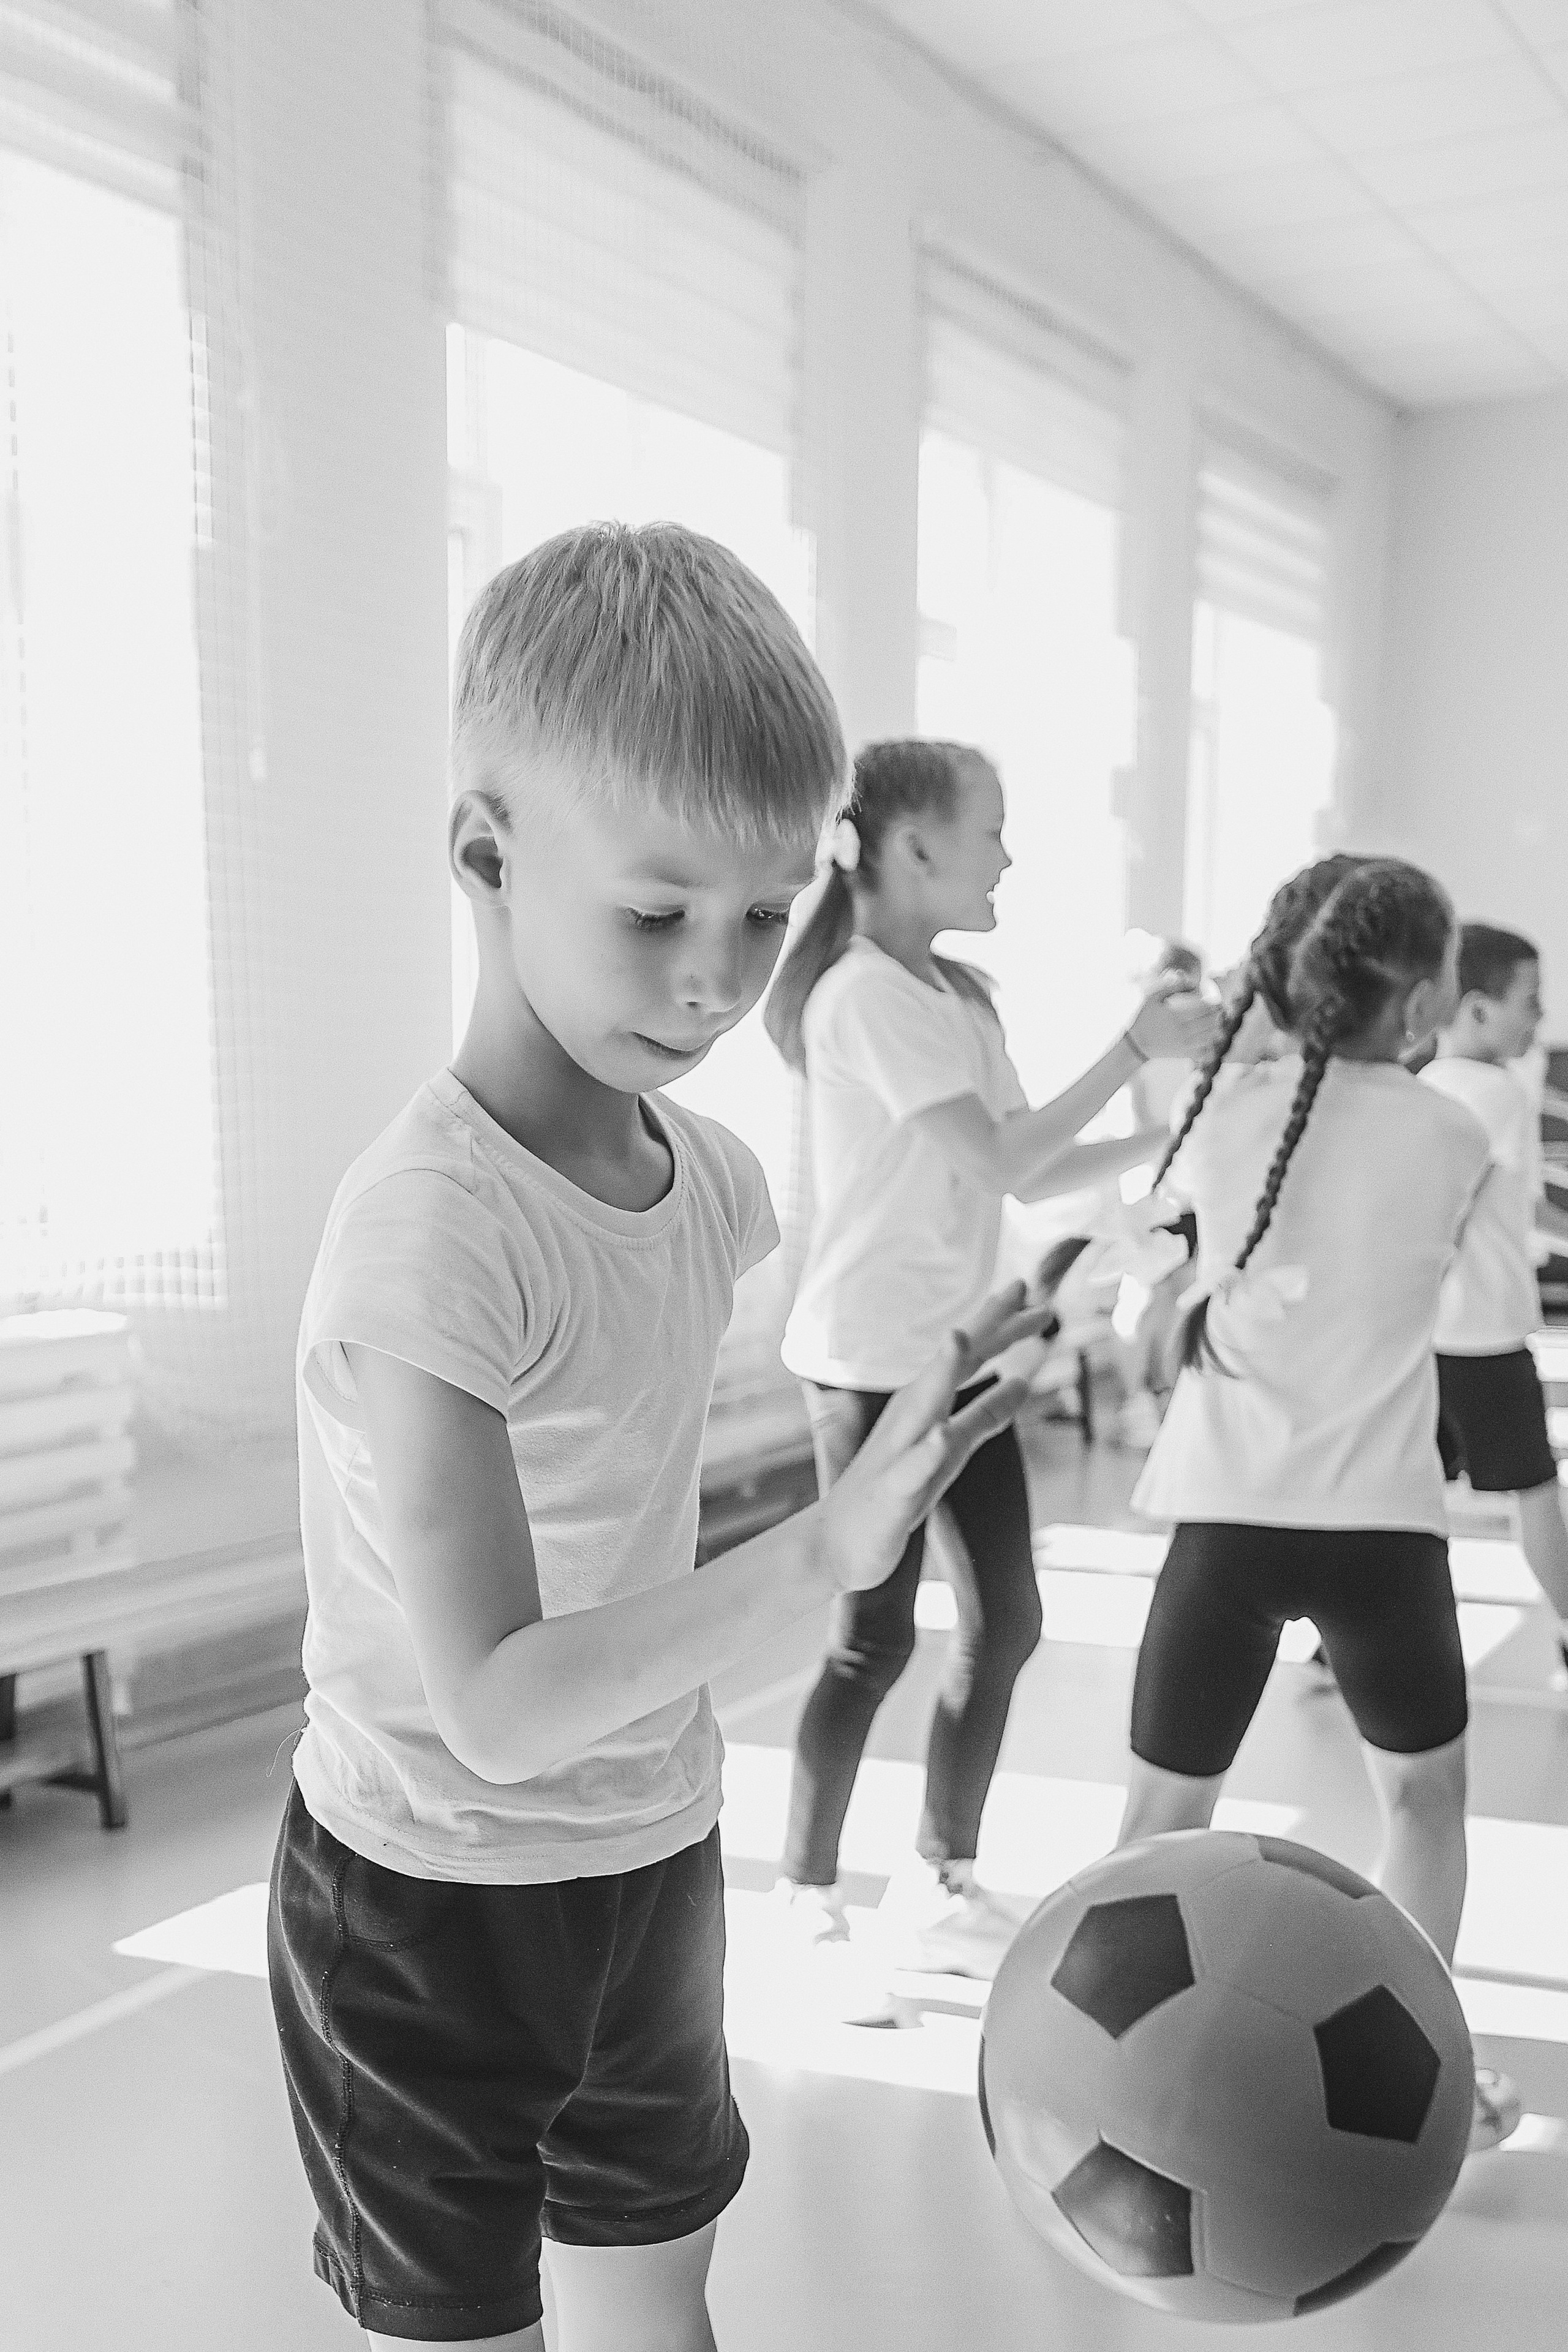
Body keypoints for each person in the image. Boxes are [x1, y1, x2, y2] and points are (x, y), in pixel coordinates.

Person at [266, 524, 1054, 2352]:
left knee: (654, 2302)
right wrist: (814, 1556)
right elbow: (499, 1701)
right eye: (654, 911)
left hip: (646, 1854)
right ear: (485, 852)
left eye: (765, 916)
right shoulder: (431, 1232)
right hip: (429, 1896)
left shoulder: (708, 1175)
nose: (714, 981)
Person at [761, 738, 1215, 2016]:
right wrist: (1132, 1050)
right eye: (990, 832)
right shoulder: (857, 996)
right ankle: (802, 1900)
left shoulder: (960, 996)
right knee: (872, 1640)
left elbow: (1035, 1164)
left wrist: (1181, 1141)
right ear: (908, 848)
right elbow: (1003, 1156)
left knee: (1006, 1617)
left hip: (962, 1354)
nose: (1006, 855)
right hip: (869, 1366)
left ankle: (937, 1881)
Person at [1115, 856, 1520, 2155]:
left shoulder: (1217, 1108)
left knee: (1158, 1826)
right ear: (1411, 1004)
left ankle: (1115, 2082)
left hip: (1221, 1526)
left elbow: (1156, 1284)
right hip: (1380, 1539)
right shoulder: (1455, 1129)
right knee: (1423, 1805)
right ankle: (1419, 2079)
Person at [1422, 924, 1568, 1683]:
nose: (1539, 1018)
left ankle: (1347, 1632)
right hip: (1482, 1338)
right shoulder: (1500, 1092)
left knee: (1414, 1492)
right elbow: (1455, 1205)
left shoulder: (1427, 1085)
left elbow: (1505, 1204)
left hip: (1426, 1338)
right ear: (1475, 1009)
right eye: (1529, 1002)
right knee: (1536, 1495)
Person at [1109, 937, 1205, 1452]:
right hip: (1158, 1185)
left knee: (1165, 1295)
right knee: (1152, 1297)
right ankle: (1140, 1402)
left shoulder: (1189, 1039)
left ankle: (1153, 1395)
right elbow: (1137, 1117)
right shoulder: (1145, 1041)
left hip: (1178, 1185)